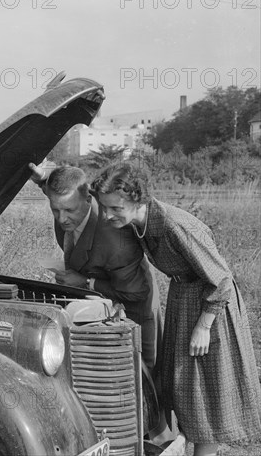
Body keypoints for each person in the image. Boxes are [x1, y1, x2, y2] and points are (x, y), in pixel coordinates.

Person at [91, 162, 261, 456]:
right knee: (187, 391)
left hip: (211, 306)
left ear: (138, 198)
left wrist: (203, 326)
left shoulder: (174, 224)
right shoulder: (138, 223)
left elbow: (221, 279)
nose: (107, 215)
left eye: (115, 208)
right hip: (185, 298)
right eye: (104, 208)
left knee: (207, 396)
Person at [30, 163, 162, 371]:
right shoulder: (68, 200)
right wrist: (42, 178)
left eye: (69, 211)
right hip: (102, 305)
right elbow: (57, 187)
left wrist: (85, 282)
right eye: (55, 210)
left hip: (134, 312)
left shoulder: (115, 243)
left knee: (139, 379)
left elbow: (135, 292)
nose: (62, 218)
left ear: (89, 199)